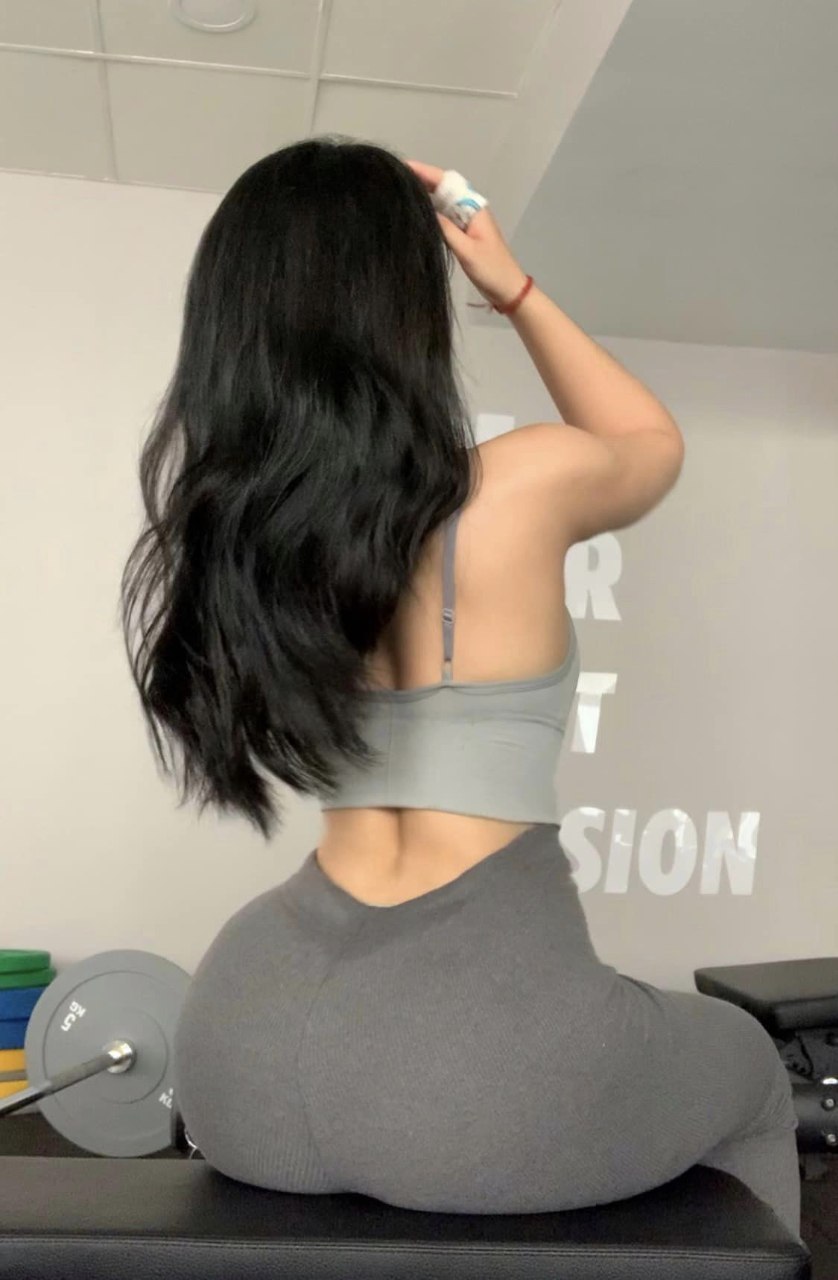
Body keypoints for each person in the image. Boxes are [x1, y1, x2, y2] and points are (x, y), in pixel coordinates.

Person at [120, 136, 799, 1236]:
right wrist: (509, 283)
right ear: (403, 311)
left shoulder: (253, 537)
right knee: (754, 1071)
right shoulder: (516, 486)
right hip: (474, 1069)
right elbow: (648, 440)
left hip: (238, 1040)